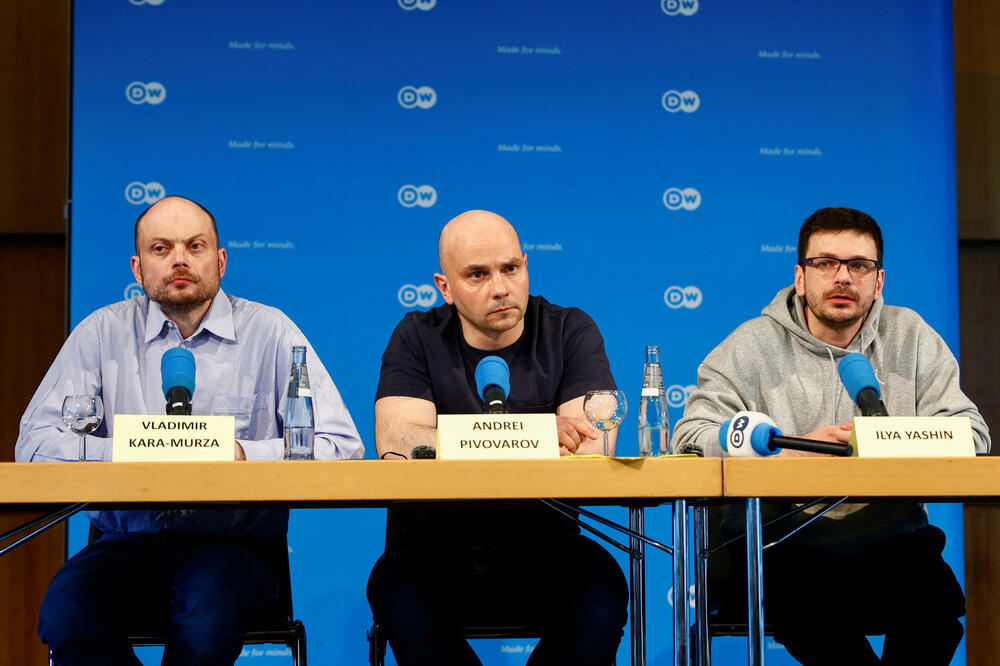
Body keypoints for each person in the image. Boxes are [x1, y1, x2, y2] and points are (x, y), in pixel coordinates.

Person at [16, 195, 363, 666]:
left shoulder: (271, 332)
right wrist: (132, 452)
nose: (179, 259)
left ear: (220, 261)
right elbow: (34, 445)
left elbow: (341, 446)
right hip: (126, 545)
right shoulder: (100, 334)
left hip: (231, 548)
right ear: (138, 269)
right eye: (161, 249)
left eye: (195, 246)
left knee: (202, 626)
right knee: (65, 616)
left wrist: (241, 455)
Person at [671, 207, 990, 665]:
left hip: (889, 541)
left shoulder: (912, 337)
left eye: (859, 266)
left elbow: (972, 434)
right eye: (825, 264)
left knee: (936, 612)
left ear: (878, 282)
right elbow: (691, 435)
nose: (843, 277)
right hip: (784, 543)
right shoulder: (751, 345)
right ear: (800, 277)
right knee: (811, 612)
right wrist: (787, 452)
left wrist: (888, 440)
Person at [366, 209, 628, 665]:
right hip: (434, 550)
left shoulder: (570, 330)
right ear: (444, 287)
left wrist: (450, 440)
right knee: (395, 588)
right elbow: (400, 444)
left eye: (511, 268)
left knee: (603, 590)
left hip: (547, 547)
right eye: (477, 275)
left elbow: (594, 443)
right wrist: (541, 433)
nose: (501, 288)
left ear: (526, 264)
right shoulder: (416, 337)